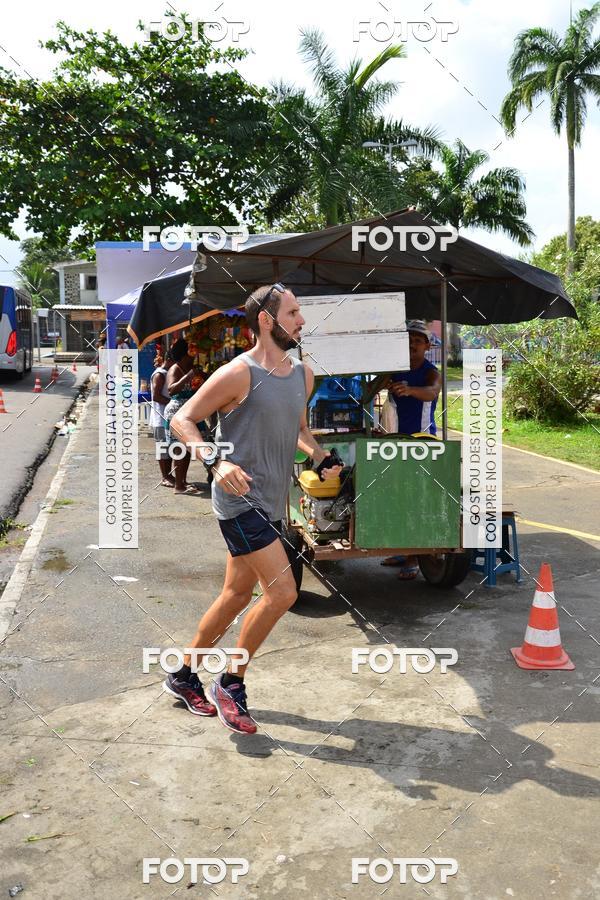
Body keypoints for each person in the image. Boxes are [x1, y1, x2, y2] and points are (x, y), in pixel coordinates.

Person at [166, 283, 342, 733]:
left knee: (236, 595)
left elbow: (298, 430)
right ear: (267, 319)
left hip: (272, 500)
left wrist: (321, 457)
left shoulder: (302, 373)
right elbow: (181, 419)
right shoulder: (237, 373)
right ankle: (231, 682)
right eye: (294, 312)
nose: (302, 321)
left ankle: (183, 675)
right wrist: (215, 461)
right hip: (239, 503)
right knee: (282, 593)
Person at [381, 320, 442, 580]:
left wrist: (410, 390)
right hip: (395, 440)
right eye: (409, 339)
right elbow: (377, 384)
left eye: (418, 340)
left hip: (421, 442)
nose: (412, 344)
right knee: (395, 496)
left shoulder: (431, 371)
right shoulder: (396, 368)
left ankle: (414, 557)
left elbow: (433, 391)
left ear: (427, 345)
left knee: (415, 499)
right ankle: (400, 549)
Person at [163, 339, 202, 495]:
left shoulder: (191, 367)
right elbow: (171, 390)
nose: (195, 353)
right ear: (186, 353)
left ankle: (183, 481)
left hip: (189, 412)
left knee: (187, 448)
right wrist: (189, 376)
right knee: (179, 448)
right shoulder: (175, 368)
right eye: (192, 350)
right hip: (176, 412)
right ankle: (179, 486)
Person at [150, 351, 175, 487]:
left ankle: (169, 474)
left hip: (167, 417)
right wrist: (173, 402)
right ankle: (165, 476)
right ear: (169, 360)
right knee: (162, 448)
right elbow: (156, 396)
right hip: (160, 418)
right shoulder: (160, 374)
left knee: (168, 448)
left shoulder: (166, 373)